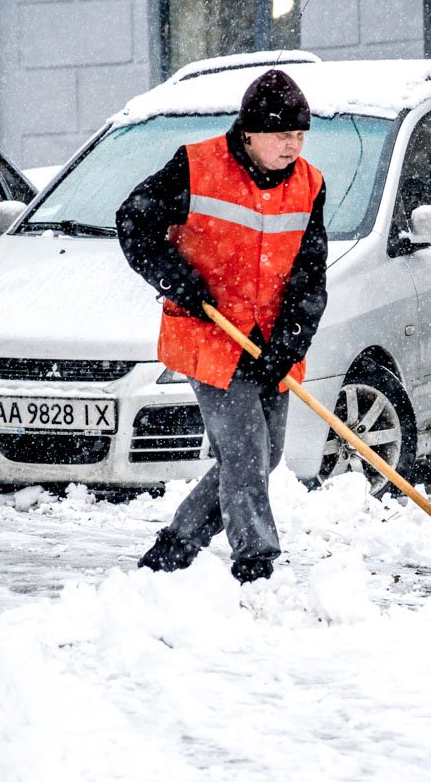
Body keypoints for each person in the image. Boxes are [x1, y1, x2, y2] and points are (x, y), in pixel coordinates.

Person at [116, 69, 328, 584]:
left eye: (299, 136)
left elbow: (310, 275)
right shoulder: (196, 166)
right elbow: (133, 222)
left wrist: (290, 341)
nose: (292, 147)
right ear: (250, 131)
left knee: (266, 454)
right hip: (210, 332)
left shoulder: (309, 183)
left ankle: (176, 544)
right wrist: (175, 278)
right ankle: (255, 559)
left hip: (270, 340)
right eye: (282, 136)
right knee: (246, 450)